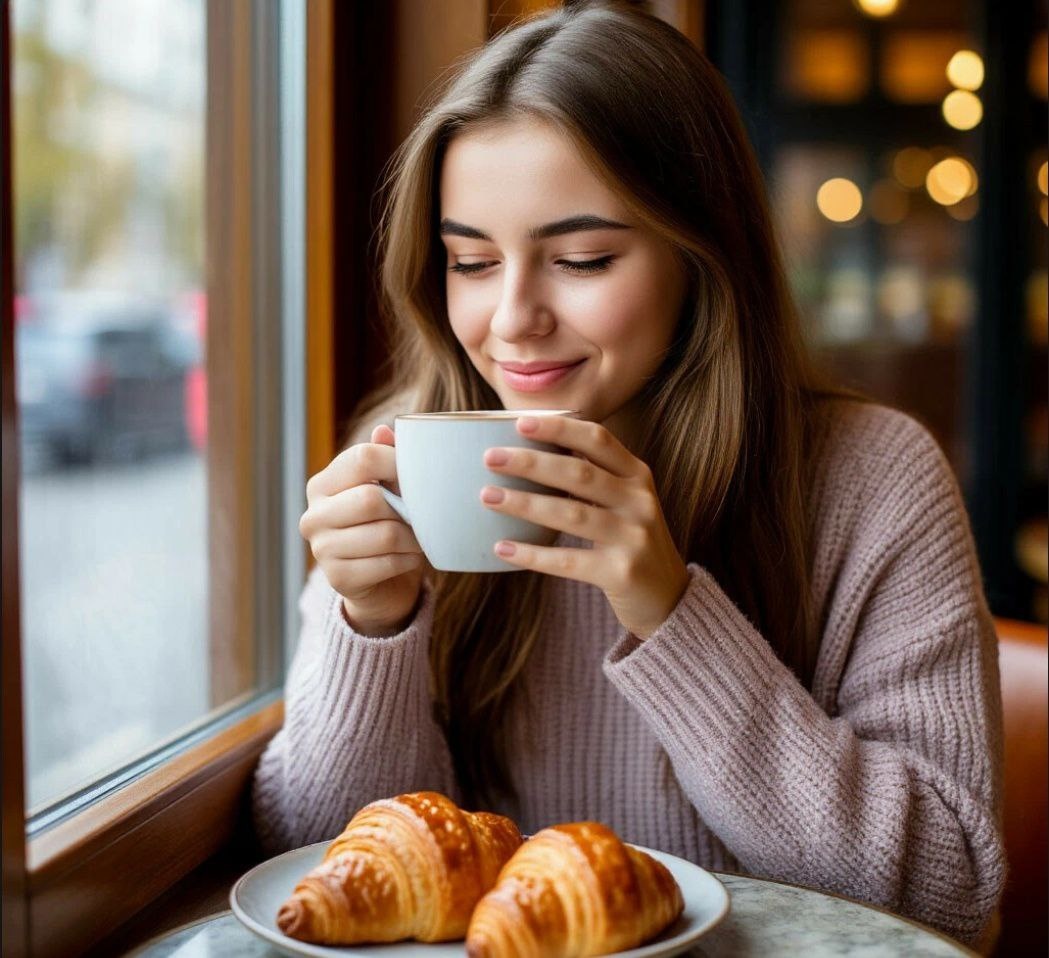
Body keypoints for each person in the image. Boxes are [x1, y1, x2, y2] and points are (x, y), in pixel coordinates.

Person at [252, 0, 1004, 948]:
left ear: (703, 256)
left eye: (581, 258)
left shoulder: (870, 477)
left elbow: (948, 896)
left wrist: (670, 613)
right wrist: (372, 628)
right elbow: (321, 860)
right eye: (470, 261)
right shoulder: (404, 462)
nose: (511, 318)